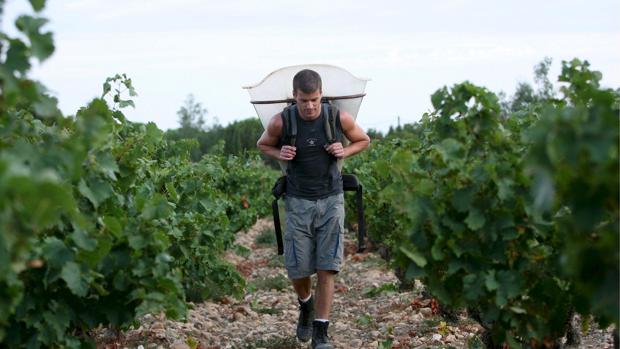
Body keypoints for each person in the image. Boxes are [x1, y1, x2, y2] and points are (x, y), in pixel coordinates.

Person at [256, 69, 370, 349]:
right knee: (297, 270)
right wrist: (278, 153)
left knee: (326, 268)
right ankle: (305, 305)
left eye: (315, 100)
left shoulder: (336, 117)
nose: (310, 106)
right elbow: (262, 145)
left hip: (332, 199)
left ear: (321, 95)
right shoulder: (281, 121)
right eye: (304, 100)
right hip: (297, 202)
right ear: (295, 97)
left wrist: (345, 151)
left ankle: (321, 333)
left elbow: (363, 140)